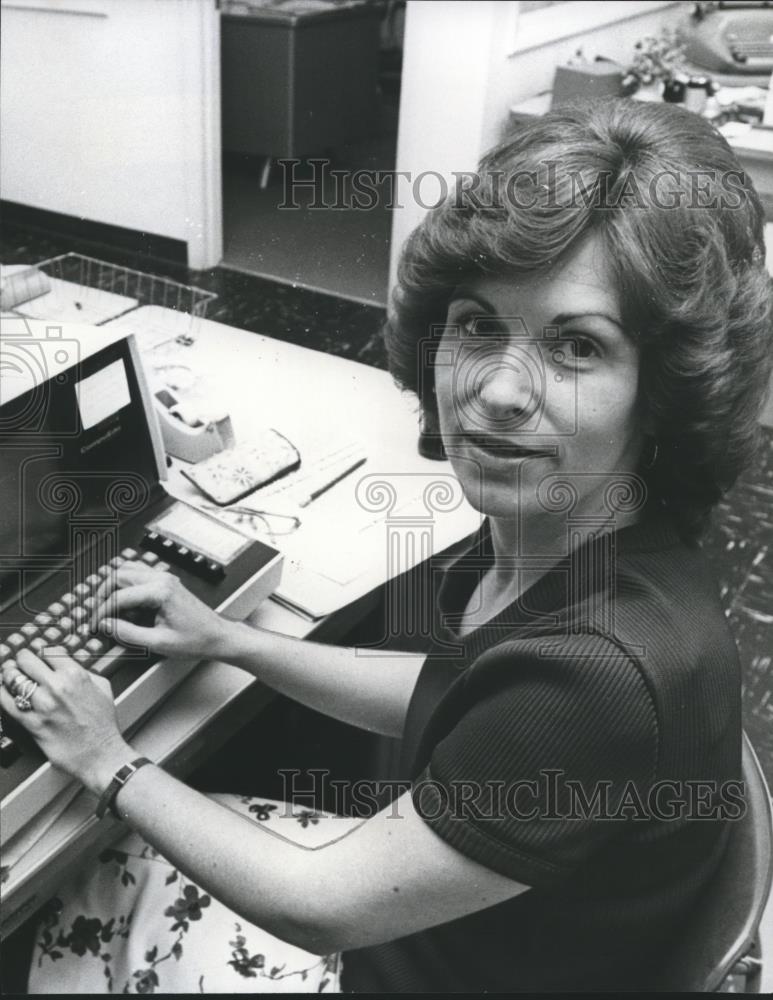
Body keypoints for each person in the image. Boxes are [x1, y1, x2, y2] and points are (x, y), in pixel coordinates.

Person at [3, 98, 772, 993]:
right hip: (472, 928)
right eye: (479, 325)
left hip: (414, 973)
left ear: (665, 390)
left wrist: (103, 755)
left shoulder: (596, 676)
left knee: (73, 885)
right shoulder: (560, 531)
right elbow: (456, 688)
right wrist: (230, 640)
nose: (494, 392)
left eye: (574, 347)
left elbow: (316, 904)